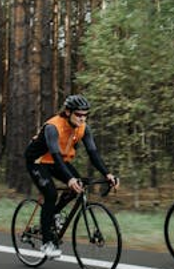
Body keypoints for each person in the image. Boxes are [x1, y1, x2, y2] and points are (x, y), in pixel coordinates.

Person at [24, 94, 119, 259]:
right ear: (68, 112)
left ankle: (53, 214)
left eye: (85, 115)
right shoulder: (53, 127)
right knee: (51, 194)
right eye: (79, 115)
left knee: (78, 187)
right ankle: (47, 243)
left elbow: (93, 153)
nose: (83, 118)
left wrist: (108, 174)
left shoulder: (83, 128)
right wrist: (69, 179)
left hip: (57, 161)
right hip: (38, 161)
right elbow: (55, 154)